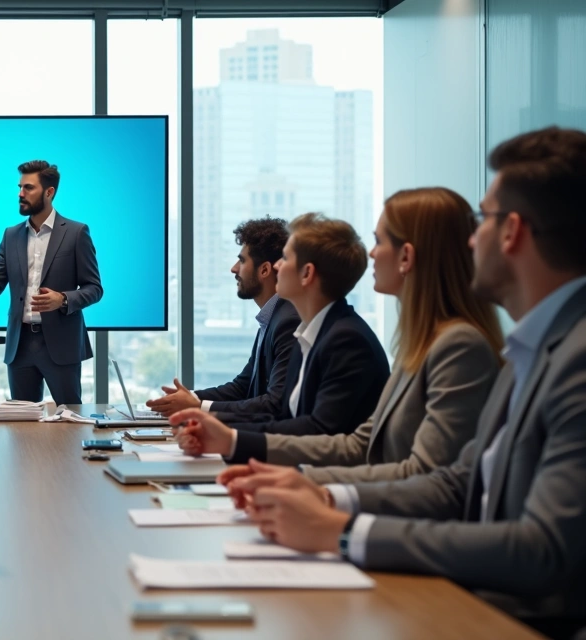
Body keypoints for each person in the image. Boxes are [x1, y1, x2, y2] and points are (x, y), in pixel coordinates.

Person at [220, 127, 586, 638]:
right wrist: (322, 493)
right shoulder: (525, 348)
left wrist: (343, 529)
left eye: (483, 220)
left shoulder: (556, 358)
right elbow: (457, 480)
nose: (472, 240)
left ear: (513, 232)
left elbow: (542, 550)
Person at [173, 188, 504, 483]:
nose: (371, 253)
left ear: (406, 257)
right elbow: (360, 443)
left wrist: (313, 491)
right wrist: (231, 440)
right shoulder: (416, 344)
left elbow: (426, 477)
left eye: (379, 241)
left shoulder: (453, 346)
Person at [198, 213, 390, 436]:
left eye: (286, 258)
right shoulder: (309, 332)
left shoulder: (345, 340)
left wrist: (228, 435)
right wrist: (211, 423)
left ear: (307, 273)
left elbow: (318, 431)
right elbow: (285, 417)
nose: (278, 265)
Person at [0, 160, 102, 405]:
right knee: (22, 421)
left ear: (49, 192)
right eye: (20, 187)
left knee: (69, 419)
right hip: (20, 346)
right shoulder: (11, 235)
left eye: (29, 188)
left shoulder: (76, 233)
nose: (20, 194)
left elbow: (95, 288)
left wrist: (62, 299)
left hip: (61, 345)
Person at [146, 217, 299, 416]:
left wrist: (197, 406)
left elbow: (275, 404)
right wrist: (188, 398)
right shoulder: (272, 317)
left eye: (242, 260)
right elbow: (243, 386)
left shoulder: (287, 321)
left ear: (264, 270)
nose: (234, 268)